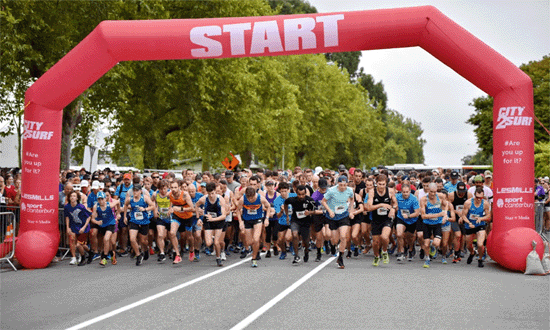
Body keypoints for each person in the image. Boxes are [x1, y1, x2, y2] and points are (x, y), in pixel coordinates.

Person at [321, 176, 355, 269]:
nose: (343, 187)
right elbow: (323, 202)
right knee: (335, 240)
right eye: (341, 185)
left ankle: (340, 257)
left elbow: (352, 199)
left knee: (343, 236)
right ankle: (333, 246)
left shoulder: (349, 190)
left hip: (343, 215)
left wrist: (351, 211)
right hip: (332, 216)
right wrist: (329, 211)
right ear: (337, 184)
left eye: (344, 185)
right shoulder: (331, 191)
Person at [366, 174, 397, 267]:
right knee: (375, 243)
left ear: (386, 184)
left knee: (384, 237)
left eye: (383, 184)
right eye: (379, 184)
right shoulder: (372, 192)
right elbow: (369, 207)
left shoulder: (390, 191)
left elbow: (395, 203)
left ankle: (384, 251)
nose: (381, 186)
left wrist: (393, 209)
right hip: (376, 219)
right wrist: (381, 205)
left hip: (387, 218)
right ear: (376, 184)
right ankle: (376, 256)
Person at [236, 186, 271, 267]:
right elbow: (237, 210)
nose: (251, 200)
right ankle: (255, 249)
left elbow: (268, 206)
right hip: (247, 220)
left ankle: (254, 259)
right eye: (249, 198)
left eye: (252, 198)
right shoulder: (243, 199)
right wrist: (240, 222)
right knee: (249, 242)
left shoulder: (260, 198)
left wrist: (267, 218)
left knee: (256, 239)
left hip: (257, 219)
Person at [195, 182, 227, 267]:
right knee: (209, 243)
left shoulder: (220, 199)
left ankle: (218, 258)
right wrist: (198, 218)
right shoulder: (204, 198)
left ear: (215, 191)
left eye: (212, 193)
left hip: (218, 221)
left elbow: (224, 216)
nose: (211, 195)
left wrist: (214, 219)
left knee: (216, 242)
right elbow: (196, 205)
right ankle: (212, 237)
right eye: (209, 194)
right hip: (208, 221)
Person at [283, 185, 316, 264]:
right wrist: (287, 215)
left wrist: (309, 212)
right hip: (295, 220)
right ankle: (296, 255)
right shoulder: (292, 200)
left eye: (303, 194)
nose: (301, 196)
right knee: (294, 235)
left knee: (306, 241)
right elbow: (286, 204)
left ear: (305, 193)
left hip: (306, 221)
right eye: (299, 194)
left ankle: (306, 251)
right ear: (296, 193)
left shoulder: (310, 200)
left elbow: (315, 211)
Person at [419, 183, 449, 268]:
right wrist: (438, 215)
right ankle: (427, 259)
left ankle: (433, 246)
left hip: (437, 223)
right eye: (431, 192)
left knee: (436, 243)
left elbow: (446, 204)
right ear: (428, 190)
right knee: (426, 244)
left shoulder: (440, 196)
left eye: (434, 192)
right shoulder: (423, 199)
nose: (433, 194)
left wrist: (445, 214)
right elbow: (423, 216)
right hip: (427, 224)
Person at [124, 184, 155, 266]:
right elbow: (125, 205)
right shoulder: (130, 199)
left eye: (137, 191)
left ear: (140, 191)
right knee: (132, 239)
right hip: (134, 220)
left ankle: (146, 249)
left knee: (143, 241)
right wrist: (124, 216)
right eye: (134, 191)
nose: (135, 192)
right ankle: (138, 255)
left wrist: (145, 209)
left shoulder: (145, 198)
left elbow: (153, 206)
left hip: (144, 221)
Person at [461, 187, 491, 268]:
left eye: (480, 198)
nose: (478, 199)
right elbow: (463, 215)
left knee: (480, 244)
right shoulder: (468, 203)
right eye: (477, 197)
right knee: (468, 246)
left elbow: (488, 215)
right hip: (469, 224)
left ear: (483, 196)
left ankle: (480, 259)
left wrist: (481, 218)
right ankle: (472, 253)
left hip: (480, 224)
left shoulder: (485, 203)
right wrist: (469, 223)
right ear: (474, 196)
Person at [90, 191, 121, 267]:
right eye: (99, 199)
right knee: (108, 243)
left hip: (111, 223)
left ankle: (103, 258)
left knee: (106, 239)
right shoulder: (96, 206)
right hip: (102, 224)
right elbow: (92, 219)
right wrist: (97, 222)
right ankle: (112, 253)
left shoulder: (109, 205)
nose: (101, 201)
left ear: (105, 199)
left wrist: (118, 213)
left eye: (102, 199)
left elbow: (117, 202)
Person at [168, 180, 195, 264]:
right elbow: (170, 205)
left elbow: (192, 208)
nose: (173, 189)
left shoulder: (185, 195)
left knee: (189, 237)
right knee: (172, 233)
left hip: (187, 217)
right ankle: (178, 255)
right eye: (172, 187)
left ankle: (192, 250)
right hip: (177, 217)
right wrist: (170, 210)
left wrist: (181, 209)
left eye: (175, 187)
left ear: (179, 187)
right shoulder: (170, 195)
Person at [64, 190, 91, 266]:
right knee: (78, 243)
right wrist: (67, 227)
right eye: (71, 196)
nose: (72, 198)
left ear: (77, 198)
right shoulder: (67, 207)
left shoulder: (81, 207)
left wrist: (84, 227)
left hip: (83, 227)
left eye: (74, 196)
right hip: (74, 226)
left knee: (79, 244)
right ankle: (90, 252)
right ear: (69, 198)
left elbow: (88, 217)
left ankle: (83, 258)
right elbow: (67, 217)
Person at [395, 183, 420, 262]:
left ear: (410, 191)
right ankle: (401, 252)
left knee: (410, 238)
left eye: (407, 192)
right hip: (401, 218)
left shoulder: (414, 199)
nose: (405, 194)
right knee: (399, 234)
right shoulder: (397, 197)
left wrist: (409, 216)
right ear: (401, 191)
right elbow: (392, 202)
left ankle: (411, 249)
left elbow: (417, 213)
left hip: (412, 220)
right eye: (404, 192)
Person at [448, 181, 468, 263]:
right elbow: (449, 208)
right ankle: (456, 253)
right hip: (454, 218)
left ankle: (460, 250)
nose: (461, 194)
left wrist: (463, 215)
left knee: (463, 236)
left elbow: (470, 206)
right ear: (457, 190)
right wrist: (457, 213)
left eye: (463, 192)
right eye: (460, 192)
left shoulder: (468, 195)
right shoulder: (451, 196)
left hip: (464, 218)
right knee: (457, 235)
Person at [153, 179, 171, 262]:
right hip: (161, 217)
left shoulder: (171, 194)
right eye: (161, 189)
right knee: (160, 235)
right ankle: (162, 253)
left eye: (164, 189)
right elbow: (153, 202)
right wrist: (155, 210)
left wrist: (171, 209)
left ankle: (171, 249)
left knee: (170, 236)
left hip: (170, 218)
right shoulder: (155, 194)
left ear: (167, 188)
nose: (163, 191)